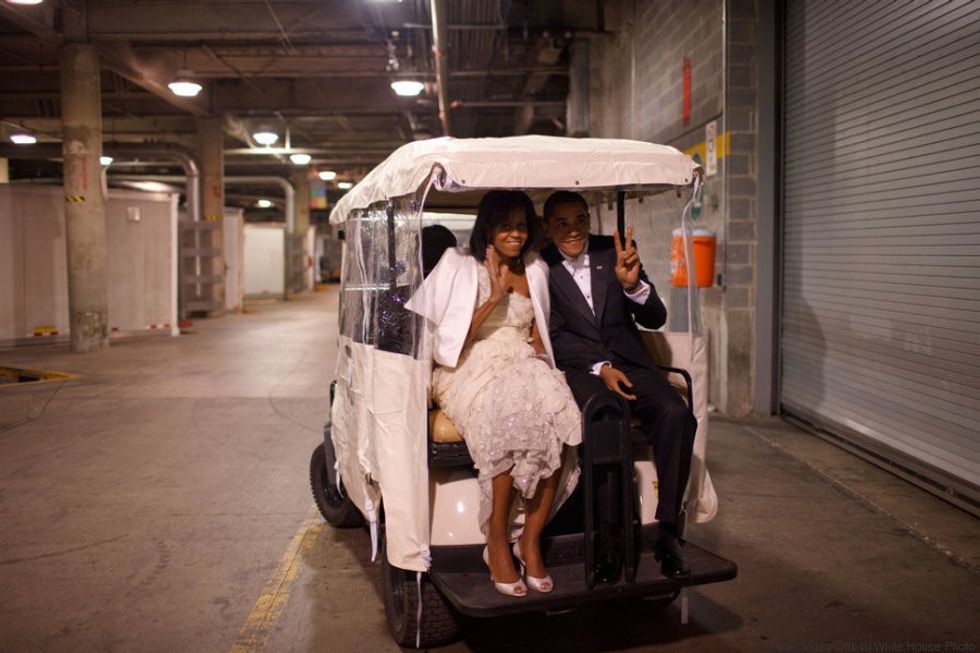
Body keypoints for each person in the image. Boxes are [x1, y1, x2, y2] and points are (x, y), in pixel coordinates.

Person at [407, 191, 581, 597]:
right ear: (487, 227)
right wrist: (494, 300)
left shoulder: (536, 267)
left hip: (521, 359)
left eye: (522, 225)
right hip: (467, 365)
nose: (516, 234)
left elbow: (539, 332)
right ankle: (497, 542)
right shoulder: (457, 262)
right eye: (506, 226)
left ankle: (530, 539)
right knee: (508, 416)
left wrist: (540, 361)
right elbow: (442, 346)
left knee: (563, 416)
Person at [540, 190, 696, 579]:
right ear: (547, 228)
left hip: (633, 362)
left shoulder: (614, 251)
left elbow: (656, 317)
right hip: (584, 370)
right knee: (605, 418)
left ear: (588, 220)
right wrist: (600, 366)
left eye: (579, 220)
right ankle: (609, 543)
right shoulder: (539, 265)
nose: (573, 230)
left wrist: (632, 286)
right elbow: (554, 336)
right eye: (561, 223)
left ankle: (668, 531)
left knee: (676, 412)